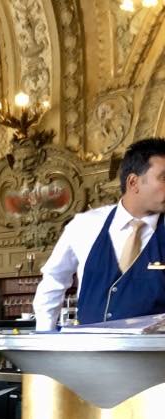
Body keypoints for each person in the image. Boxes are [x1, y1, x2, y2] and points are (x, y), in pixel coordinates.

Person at [33, 137, 165, 330]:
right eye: (164, 178)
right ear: (133, 182)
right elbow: (54, 279)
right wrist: (45, 334)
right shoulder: (85, 225)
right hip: (90, 347)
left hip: (154, 349)